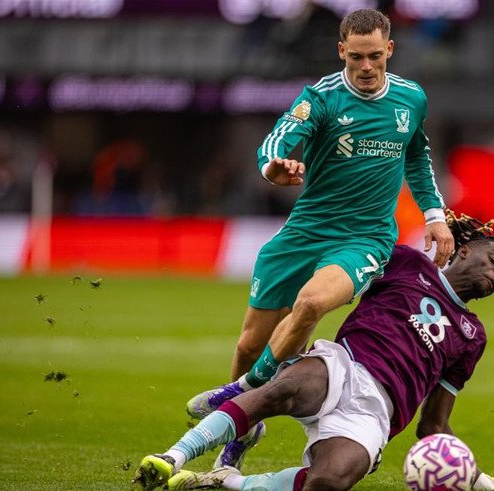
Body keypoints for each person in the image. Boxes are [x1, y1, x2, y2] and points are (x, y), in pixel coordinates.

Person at [188, 8, 453, 454]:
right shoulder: (321, 97)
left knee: (311, 303)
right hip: (305, 232)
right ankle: (240, 439)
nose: (366, 67)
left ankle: (242, 391)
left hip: (365, 238)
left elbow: (416, 156)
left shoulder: (411, 98)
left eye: (374, 56)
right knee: (250, 344)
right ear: (341, 51)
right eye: (356, 57)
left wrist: (434, 215)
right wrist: (274, 169)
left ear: (389, 49)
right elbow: (276, 142)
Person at [133, 212, 494, 491]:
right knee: (282, 390)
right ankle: (172, 457)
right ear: (464, 250)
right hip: (343, 364)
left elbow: (433, 425)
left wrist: (487, 484)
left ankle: (224, 482)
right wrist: (301, 318)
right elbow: (343, 273)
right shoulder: (407, 262)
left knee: (329, 481)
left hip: (377, 413)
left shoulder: (472, 336)